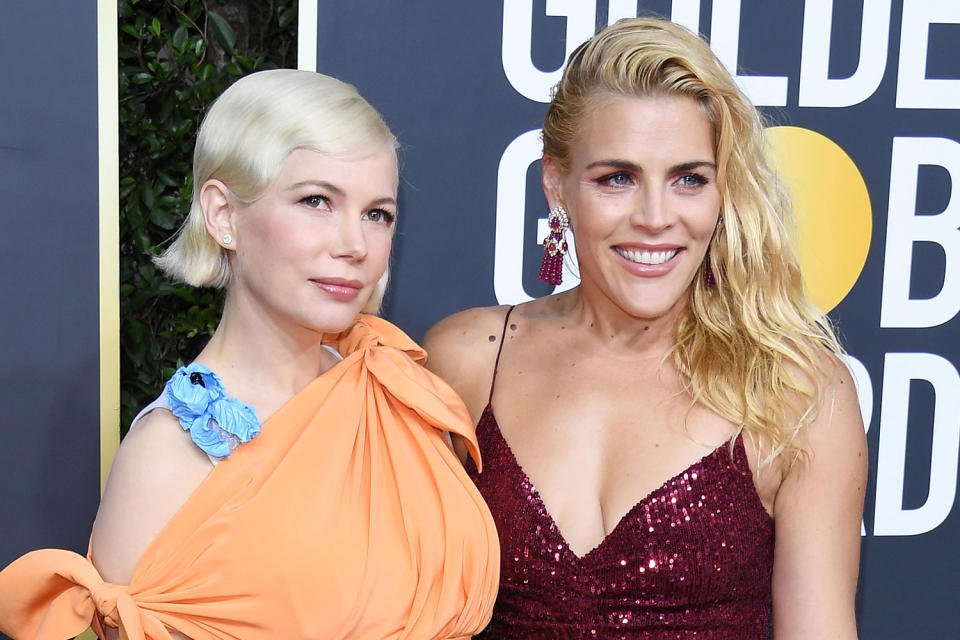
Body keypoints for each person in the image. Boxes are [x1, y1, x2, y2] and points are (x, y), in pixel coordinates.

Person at [0, 69, 499, 640]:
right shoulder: (166, 460)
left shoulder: (393, 389)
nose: (353, 245)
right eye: (316, 201)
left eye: (376, 214)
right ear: (222, 214)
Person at [424, 17, 865, 639]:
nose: (656, 218)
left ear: (722, 193)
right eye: (617, 179)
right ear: (557, 185)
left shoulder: (796, 393)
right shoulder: (465, 360)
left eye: (689, 179)